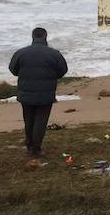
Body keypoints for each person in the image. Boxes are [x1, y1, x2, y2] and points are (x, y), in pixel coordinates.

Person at [9, 27, 68, 156]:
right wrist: (51, 76)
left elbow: (13, 69)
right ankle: (36, 148)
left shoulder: (21, 53)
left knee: (28, 120)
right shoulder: (54, 54)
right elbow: (63, 70)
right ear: (45, 37)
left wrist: (24, 74)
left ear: (33, 37)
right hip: (46, 94)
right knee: (40, 121)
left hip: (26, 93)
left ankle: (30, 145)